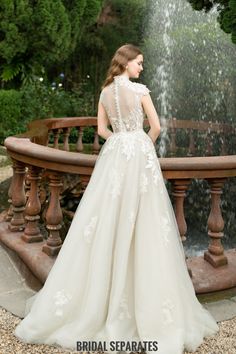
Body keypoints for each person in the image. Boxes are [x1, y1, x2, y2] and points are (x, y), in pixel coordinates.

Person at [14, 44, 219, 354]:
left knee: (104, 221)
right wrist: (139, 146)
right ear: (126, 63)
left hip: (114, 160)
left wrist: (121, 144)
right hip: (137, 158)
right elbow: (157, 127)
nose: (141, 68)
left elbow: (101, 129)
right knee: (145, 222)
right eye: (139, 62)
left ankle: (94, 300)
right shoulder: (139, 91)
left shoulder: (105, 92)